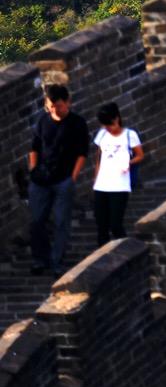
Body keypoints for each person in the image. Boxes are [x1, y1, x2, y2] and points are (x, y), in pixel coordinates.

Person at [26, 84, 88, 275]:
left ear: (67, 102)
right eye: (51, 106)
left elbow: (82, 153)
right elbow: (34, 147)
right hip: (40, 180)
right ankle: (40, 259)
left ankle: (56, 261)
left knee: (62, 221)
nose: (55, 110)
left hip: (63, 180)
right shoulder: (43, 121)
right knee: (36, 221)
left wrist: (73, 177)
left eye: (58, 105)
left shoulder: (77, 123)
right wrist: (33, 169)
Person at [90, 104, 142, 247]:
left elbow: (139, 155)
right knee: (101, 223)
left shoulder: (129, 135)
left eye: (110, 124)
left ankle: (127, 249)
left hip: (120, 184)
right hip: (102, 183)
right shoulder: (102, 134)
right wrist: (96, 176)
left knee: (115, 223)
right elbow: (99, 156)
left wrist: (128, 163)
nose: (108, 128)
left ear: (117, 119)